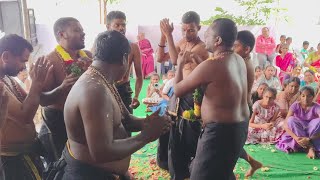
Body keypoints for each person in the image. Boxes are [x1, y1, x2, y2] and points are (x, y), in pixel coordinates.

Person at [57, 30, 172, 180]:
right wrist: (146, 136)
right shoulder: (94, 91)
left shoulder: (102, 80)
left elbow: (126, 120)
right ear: (124, 58)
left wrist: (150, 122)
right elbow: (101, 152)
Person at [174, 18, 249, 180]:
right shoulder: (238, 60)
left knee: (200, 176)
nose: (204, 36)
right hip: (239, 128)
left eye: (207, 34)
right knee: (223, 171)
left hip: (220, 133)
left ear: (218, 40)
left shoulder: (213, 64)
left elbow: (178, 90)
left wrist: (179, 65)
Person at [159, 11, 209, 179]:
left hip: (192, 95)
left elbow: (174, 61)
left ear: (199, 28)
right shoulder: (182, 42)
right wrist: (163, 36)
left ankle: (193, 168)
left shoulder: (201, 47)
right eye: (184, 30)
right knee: (173, 129)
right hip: (178, 93)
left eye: (191, 30)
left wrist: (169, 36)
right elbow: (162, 58)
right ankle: (174, 167)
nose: (187, 34)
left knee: (189, 132)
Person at [38, 17, 92, 164]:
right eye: (77, 30)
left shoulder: (88, 56)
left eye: (82, 30)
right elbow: (41, 99)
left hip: (84, 118)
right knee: (63, 165)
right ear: (62, 34)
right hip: (58, 122)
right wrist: (62, 88)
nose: (83, 33)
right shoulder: (50, 61)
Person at [0, 34, 52, 180]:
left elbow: (33, 100)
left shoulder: (7, 78)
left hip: (24, 154)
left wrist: (41, 83)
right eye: (22, 61)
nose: (24, 67)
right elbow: (25, 116)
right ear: (6, 56)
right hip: (11, 160)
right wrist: (36, 83)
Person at [233, 30, 263, 177]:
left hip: (241, 109)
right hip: (240, 108)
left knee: (231, 142)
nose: (232, 49)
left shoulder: (243, 64)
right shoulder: (241, 60)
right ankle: (253, 163)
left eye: (235, 46)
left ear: (246, 49)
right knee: (232, 143)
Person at [106, 11, 143, 114]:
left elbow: (139, 75)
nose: (121, 28)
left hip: (124, 90)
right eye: (117, 25)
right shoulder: (100, 46)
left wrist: (136, 96)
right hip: (106, 90)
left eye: (123, 25)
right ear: (108, 26)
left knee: (127, 125)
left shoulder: (133, 47)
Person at [276, 86, 320, 159]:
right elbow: (285, 125)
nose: (305, 99)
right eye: (303, 96)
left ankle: (309, 146)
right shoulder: (295, 105)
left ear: (313, 96)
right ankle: (309, 147)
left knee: (318, 121)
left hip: (312, 133)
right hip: (298, 132)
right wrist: (296, 138)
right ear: (300, 96)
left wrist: (309, 139)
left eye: (309, 96)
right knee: (291, 119)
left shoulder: (317, 107)